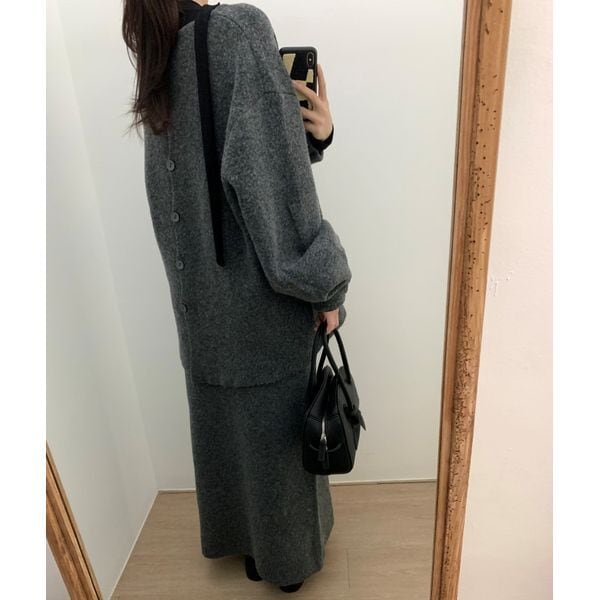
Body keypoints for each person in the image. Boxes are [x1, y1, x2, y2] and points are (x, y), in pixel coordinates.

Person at [122, 0, 352, 592]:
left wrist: (312, 138)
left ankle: (246, 543)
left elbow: (218, 166)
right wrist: (323, 283)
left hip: (200, 303)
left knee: (229, 435)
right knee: (274, 442)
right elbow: (268, 184)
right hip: (259, 301)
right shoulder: (238, 29)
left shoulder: (160, 44)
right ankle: (283, 562)